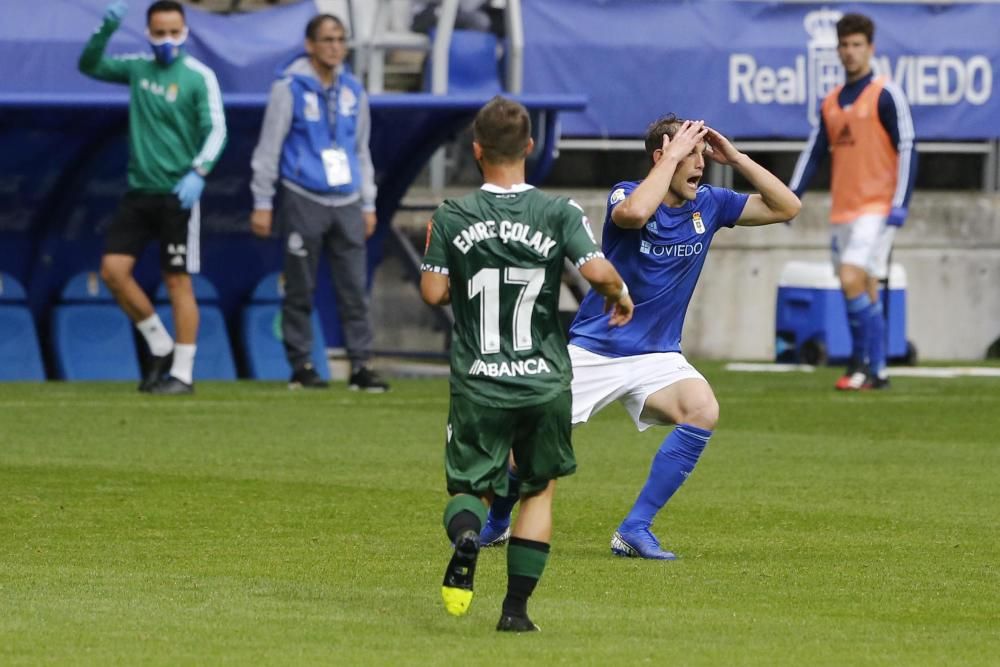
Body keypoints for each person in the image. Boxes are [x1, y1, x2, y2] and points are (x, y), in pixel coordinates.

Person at [480, 115, 801, 560]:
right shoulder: (627, 193)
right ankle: (497, 520)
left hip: (657, 356)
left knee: (702, 408)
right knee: (531, 449)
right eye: (690, 154)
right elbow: (632, 216)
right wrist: (670, 159)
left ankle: (635, 528)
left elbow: (788, 207)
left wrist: (737, 158)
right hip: (596, 349)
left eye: (701, 155)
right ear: (662, 157)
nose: (700, 165)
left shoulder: (710, 204)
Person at [421, 96, 633, 631]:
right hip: (542, 380)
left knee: (469, 489)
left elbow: (432, 292)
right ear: (530, 147)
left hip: (479, 379)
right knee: (538, 489)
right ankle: (515, 613)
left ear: (476, 150)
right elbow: (599, 270)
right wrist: (618, 293)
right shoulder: (559, 212)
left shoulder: (451, 215)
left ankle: (468, 537)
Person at [79, 0, 227, 395]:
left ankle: (182, 372)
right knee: (112, 271)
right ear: (148, 33)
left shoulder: (198, 77)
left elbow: (216, 129)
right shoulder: (138, 69)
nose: (166, 40)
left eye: (173, 32)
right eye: (159, 32)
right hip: (139, 191)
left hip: (178, 193)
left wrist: (199, 172)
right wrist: (105, 29)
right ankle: (158, 341)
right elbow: (89, 65)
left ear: (185, 32)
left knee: (177, 280)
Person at [250, 14, 388, 392]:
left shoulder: (353, 91)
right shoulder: (289, 87)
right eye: (327, 39)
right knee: (299, 285)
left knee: (353, 287)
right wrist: (262, 200)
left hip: (346, 198)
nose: (335, 47)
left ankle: (361, 365)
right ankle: (302, 364)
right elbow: (269, 147)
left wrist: (368, 202)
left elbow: (361, 151)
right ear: (310, 44)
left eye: (341, 39)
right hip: (303, 194)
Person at [789, 12, 917, 391]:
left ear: (870, 48)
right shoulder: (830, 102)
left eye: (856, 44)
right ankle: (877, 370)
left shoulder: (885, 93)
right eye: (844, 45)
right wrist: (792, 196)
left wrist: (901, 201)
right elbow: (814, 152)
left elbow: (908, 146)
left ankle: (861, 363)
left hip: (876, 208)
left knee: (850, 278)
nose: (849, 52)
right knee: (866, 284)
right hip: (843, 209)